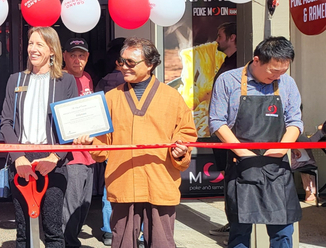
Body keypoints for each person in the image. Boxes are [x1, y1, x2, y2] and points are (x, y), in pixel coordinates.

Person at [75, 37, 197, 248]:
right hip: (123, 181)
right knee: (122, 242)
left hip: (160, 182)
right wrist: (90, 142)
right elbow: (102, 145)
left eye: (131, 62)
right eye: (122, 61)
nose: (124, 67)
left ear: (150, 64)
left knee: (162, 243)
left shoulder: (172, 97)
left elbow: (186, 132)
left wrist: (180, 151)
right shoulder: (111, 97)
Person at [209, 36, 303, 248]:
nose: (278, 76)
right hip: (241, 166)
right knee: (240, 233)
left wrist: (281, 149)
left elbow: (295, 121)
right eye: (273, 71)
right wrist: (243, 152)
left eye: (283, 71)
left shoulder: (287, 83)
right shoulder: (228, 80)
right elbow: (216, 122)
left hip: (276, 167)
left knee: (283, 232)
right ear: (257, 60)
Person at [0, 26, 78, 248]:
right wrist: (18, 157)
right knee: (23, 229)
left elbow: (71, 126)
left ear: (52, 50)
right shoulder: (15, 80)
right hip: (22, 158)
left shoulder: (66, 81)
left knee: (53, 229)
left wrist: (55, 158)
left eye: (39, 44)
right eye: (30, 44)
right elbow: (6, 122)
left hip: (53, 159)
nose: (32, 49)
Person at [61, 38, 96, 248]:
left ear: (87, 58)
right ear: (64, 56)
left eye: (81, 55)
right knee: (71, 205)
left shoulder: (88, 78)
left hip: (89, 153)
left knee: (85, 204)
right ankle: (68, 243)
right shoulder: (60, 79)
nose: (77, 60)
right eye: (72, 55)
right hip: (71, 155)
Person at [94, 37, 126, 246]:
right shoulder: (135, 83)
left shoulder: (104, 81)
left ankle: (108, 230)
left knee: (109, 186)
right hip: (130, 140)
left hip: (109, 141)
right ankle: (138, 230)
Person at [209, 22, 238, 238]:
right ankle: (232, 223)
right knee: (228, 177)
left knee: (234, 179)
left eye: (220, 36)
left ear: (232, 37)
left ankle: (237, 226)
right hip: (221, 130)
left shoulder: (240, 63)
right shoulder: (227, 62)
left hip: (233, 132)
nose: (217, 40)